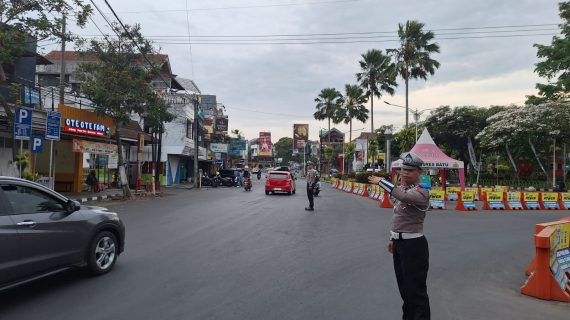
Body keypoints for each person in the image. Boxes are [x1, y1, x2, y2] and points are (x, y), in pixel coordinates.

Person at [368, 152, 431, 320]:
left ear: (419, 172)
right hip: (399, 243)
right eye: (403, 169)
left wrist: (381, 181)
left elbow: (402, 197)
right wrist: (392, 237)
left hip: (414, 246)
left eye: (410, 170)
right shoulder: (402, 188)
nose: (405, 173)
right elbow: (398, 215)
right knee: (404, 289)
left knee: (416, 291)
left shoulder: (422, 192)